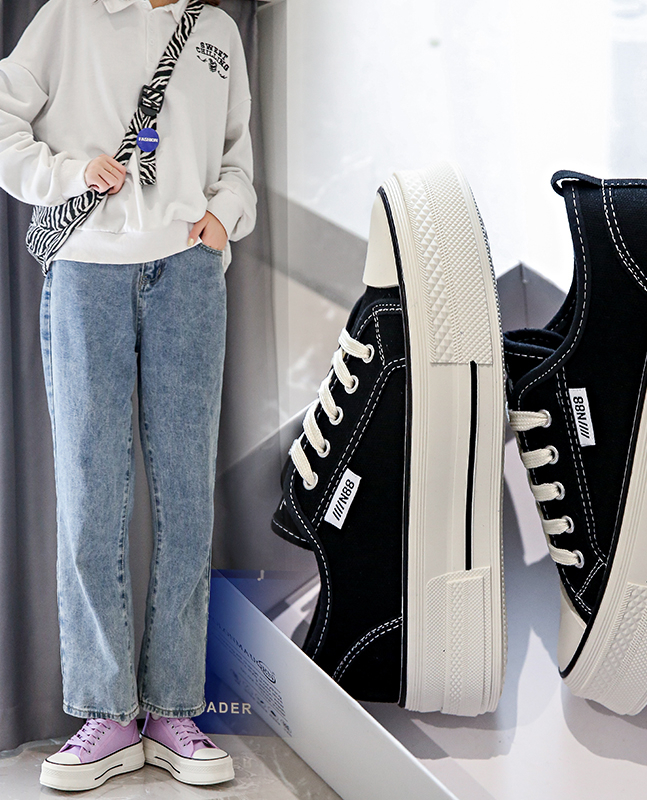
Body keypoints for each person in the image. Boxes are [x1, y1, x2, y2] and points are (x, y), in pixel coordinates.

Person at [0, 0, 256, 790]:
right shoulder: (70, 15)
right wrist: (68, 175)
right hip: (86, 272)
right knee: (89, 496)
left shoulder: (216, 31)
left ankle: (174, 709)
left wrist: (224, 218)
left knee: (186, 498)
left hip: (188, 273)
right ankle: (108, 717)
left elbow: (237, 156)